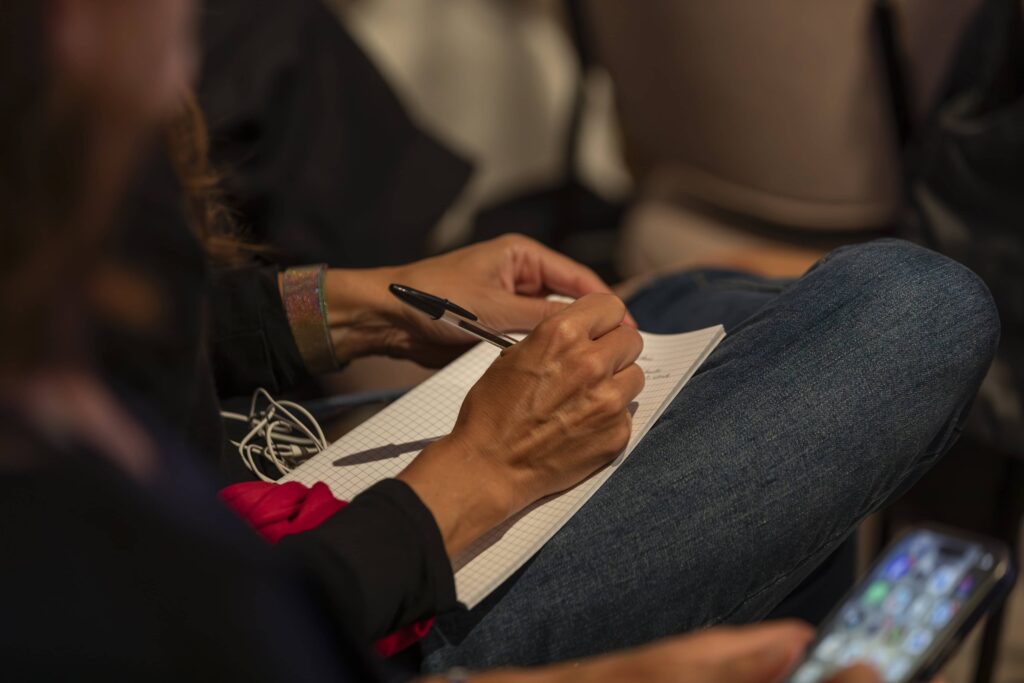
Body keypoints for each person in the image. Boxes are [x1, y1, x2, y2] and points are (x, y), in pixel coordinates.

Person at [0, 2, 993, 683]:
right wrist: (472, 476)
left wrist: (348, 306)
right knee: (912, 311)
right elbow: (209, 638)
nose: (188, 34)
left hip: (289, 502)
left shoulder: (59, 231)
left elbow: (157, 347)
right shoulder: (72, 543)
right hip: (359, 607)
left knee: (681, 307)